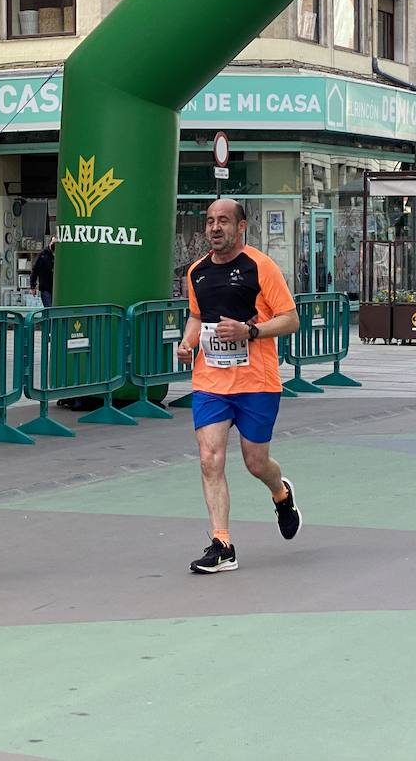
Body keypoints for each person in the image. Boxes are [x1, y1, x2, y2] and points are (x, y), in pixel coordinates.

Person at [175, 199, 302, 574]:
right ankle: (222, 544)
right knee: (209, 458)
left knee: (255, 462)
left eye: (224, 221)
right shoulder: (196, 272)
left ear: (241, 227)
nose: (216, 228)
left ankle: (281, 493)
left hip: (256, 383)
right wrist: (187, 344)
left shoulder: (261, 268)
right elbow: (197, 316)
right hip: (211, 381)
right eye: (210, 222)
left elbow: (291, 320)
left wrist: (250, 331)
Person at [30, 235, 56, 307]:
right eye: (53, 243)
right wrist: (33, 286)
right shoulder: (43, 255)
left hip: (57, 288)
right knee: (49, 309)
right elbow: (35, 270)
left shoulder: (60, 254)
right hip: (46, 288)